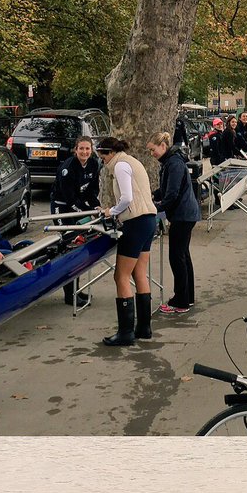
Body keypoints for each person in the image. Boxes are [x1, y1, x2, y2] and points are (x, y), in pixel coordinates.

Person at [97, 136, 159, 346]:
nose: (102, 161)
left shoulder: (121, 166)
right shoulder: (131, 161)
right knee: (139, 272)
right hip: (149, 220)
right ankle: (144, 327)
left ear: (109, 153)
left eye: (102, 156)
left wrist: (111, 212)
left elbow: (126, 198)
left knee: (120, 276)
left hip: (135, 222)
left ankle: (125, 332)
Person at [148, 131, 200, 314]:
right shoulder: (171, 162)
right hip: (185, 214)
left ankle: (181, 301)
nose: (152, 154)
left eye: (153, 150)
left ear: (163, 147)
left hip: (182, 215)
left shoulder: (174, 163)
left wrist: (155, 208)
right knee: (183, 255)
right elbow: (165, 189)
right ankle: (187, 297)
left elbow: (172, 194)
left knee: (177, 257)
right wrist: (153, 195)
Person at [50, 137, 102, 306]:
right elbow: (70, 199)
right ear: (75, 149)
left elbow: (91, 192)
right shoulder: (68, 168)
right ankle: (69, 294)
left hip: (77, 205)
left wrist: (97, 208)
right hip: (62, 207)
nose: (85, 152)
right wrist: (87, 212)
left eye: (87, 148)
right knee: (69, 246)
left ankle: (76, 290)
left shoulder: (94, 164)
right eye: (81, 149)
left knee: (80, 246)